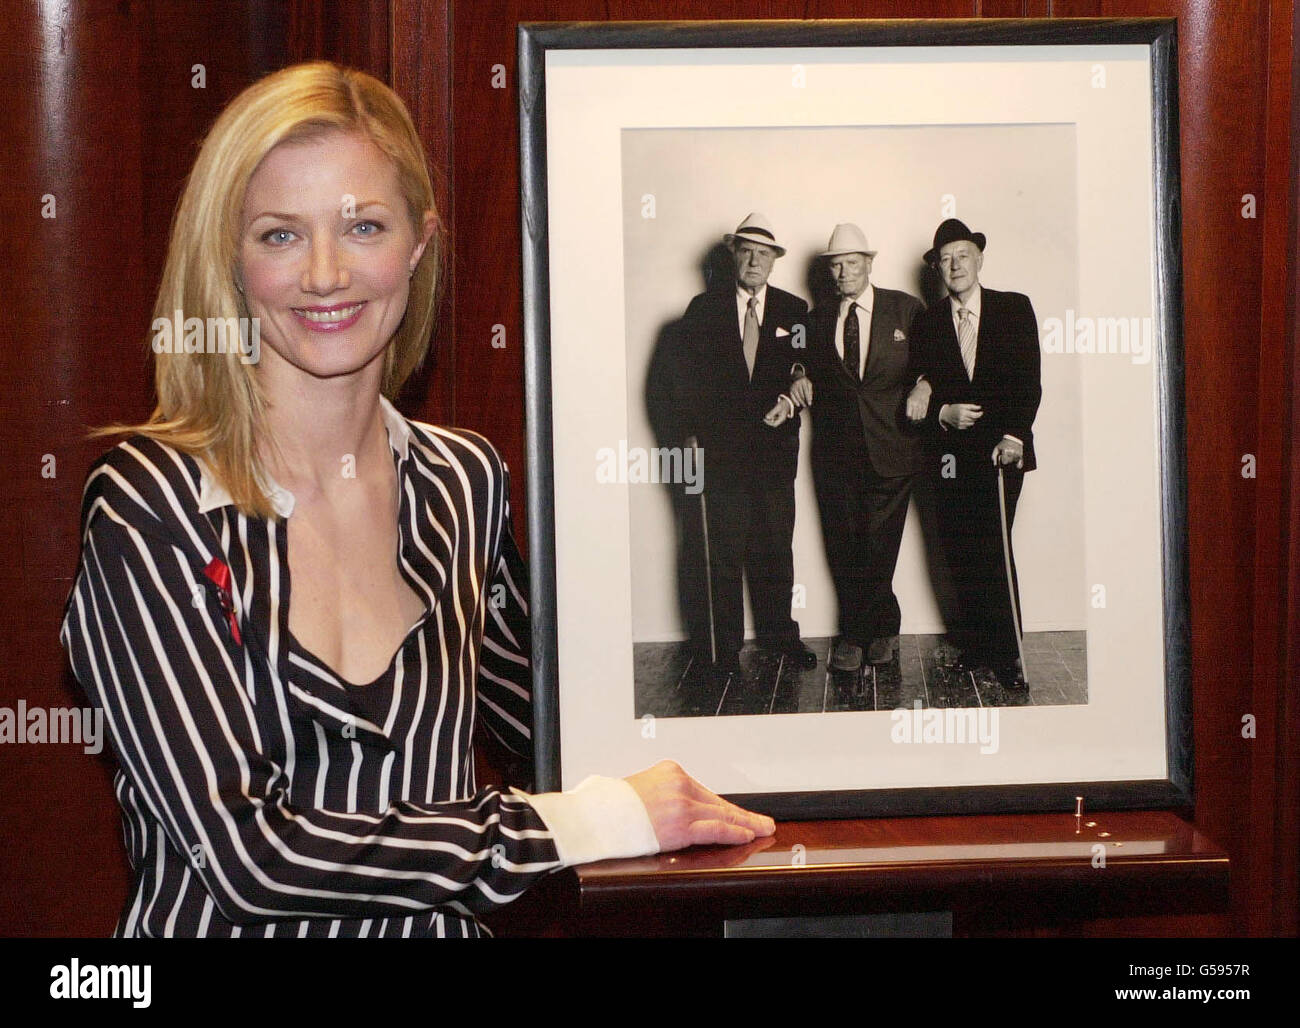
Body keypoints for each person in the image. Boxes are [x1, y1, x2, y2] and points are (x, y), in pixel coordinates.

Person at [58, 62, 772, 939]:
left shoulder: (464, 482)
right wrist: (587, 823)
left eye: (363, 226)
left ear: (419, 247)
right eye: (280, 235)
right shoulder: (149, 504)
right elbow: (251, 857)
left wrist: (813, 761)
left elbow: (556, 727)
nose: (325, 274)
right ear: (230, 260)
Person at [674, 213, 816, 677]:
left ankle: (780, 638)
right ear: (733, 255)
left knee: (777, 548)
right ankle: (724, 648)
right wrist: (690, 436)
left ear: (775, 262)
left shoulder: (795, 311)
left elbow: (802, 366)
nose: (755, 260)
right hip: (721, 456)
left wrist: (793, 392)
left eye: (764, 253)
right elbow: (681, 379)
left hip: (775, 456)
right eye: (746, 251)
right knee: (725, 552)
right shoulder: (703, 309)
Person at [905, 218, 1042, 691]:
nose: (954, 265)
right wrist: (940, 408)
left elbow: (1029, 381)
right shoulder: (928, 321)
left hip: (1001, 455)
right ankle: (978, 647)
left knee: (993, 550)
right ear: (937, 269)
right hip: (949, 459)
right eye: (945, 259)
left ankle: (1010, 657)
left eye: (962, 255)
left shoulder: (1014, 309)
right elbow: (919, 380)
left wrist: (1014, 437)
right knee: (960, 553)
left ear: (979, 259)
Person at [797, 224, 924, 673]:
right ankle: (869, 629)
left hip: (892, 447)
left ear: (869, 264)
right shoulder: (816, 319)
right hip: (835, 452)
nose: (843, 272)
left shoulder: (905, 309)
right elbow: (799, 361)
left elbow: (934, 359)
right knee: (844, 542)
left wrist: (925, 384)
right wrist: (798, 376)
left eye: (852, 262)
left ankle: (865, 632)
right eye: (836, 265)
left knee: (879, 542)